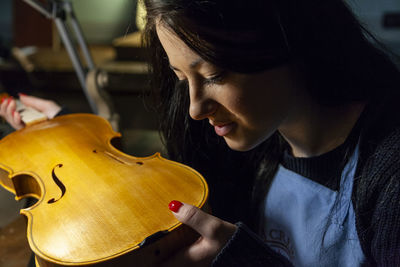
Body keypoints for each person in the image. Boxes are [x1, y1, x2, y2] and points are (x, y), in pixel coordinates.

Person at [1, 0, 400, 266]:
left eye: (214, 75)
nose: (194, 109)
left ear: (289, 39)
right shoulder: (251, 141)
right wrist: (70, 132)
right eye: (180, 78)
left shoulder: (389, 179)